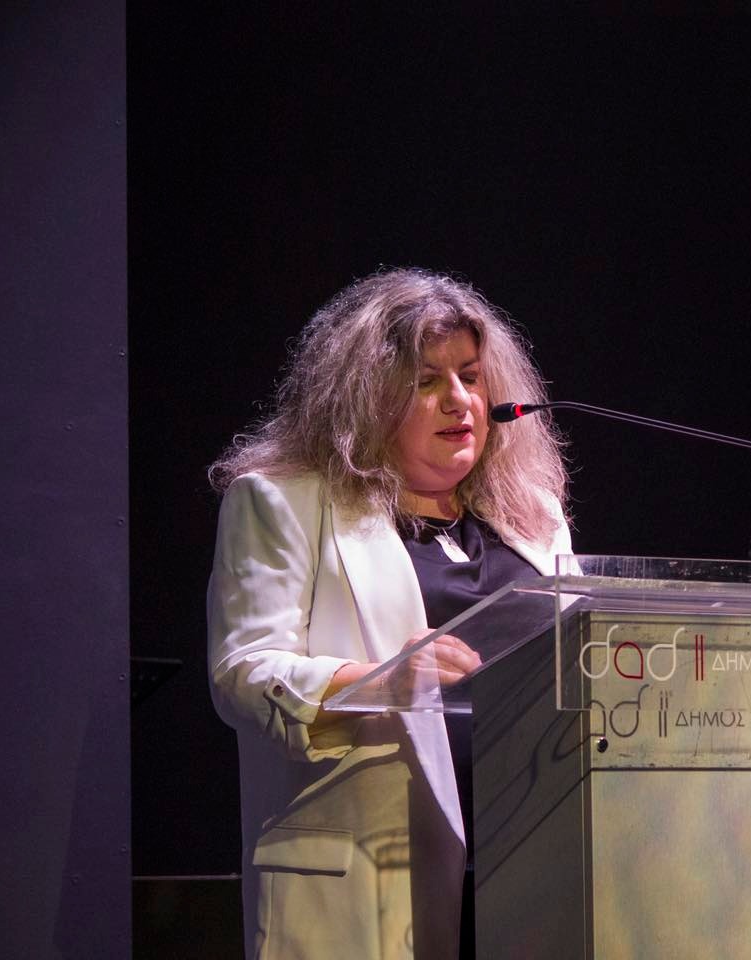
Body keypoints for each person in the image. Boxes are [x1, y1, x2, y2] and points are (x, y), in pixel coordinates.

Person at [206, 268, 571, 960]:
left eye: (470, 376)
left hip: (530, 869)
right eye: (426, 381)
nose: (459, 400)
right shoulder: (284, 502)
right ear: (366, 397)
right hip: (370, 884)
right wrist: (381, 681)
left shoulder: (534, 518)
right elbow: (243, 675)